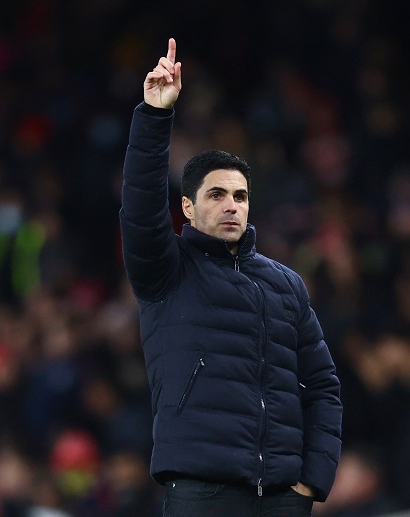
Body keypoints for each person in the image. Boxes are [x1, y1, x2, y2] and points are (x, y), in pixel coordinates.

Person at [119, 38, 343, 516]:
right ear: (187, 207)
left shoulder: (286, 285)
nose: (231, 205)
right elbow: (139, 211)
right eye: (216, 194)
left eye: (240, 196)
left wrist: (311, 484)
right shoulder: (168, 270)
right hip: (202, 493)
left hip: (283, 499)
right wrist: (154, 115)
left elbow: (323, 386)